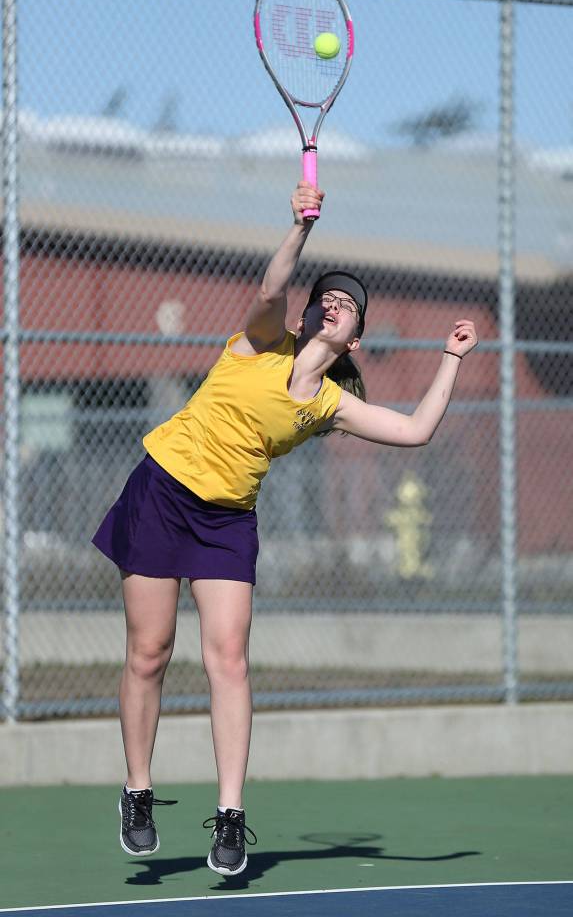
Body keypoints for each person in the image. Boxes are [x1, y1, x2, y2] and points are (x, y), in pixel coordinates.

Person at [92, 181, 478, 877]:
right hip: (160, 492)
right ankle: (137, 790)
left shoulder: (330, 404)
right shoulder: (259, 340)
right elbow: (272, 285)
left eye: (348, 303)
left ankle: (231, 815)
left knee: (229, 660)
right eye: (325, 296)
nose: (333, 302)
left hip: (226, 522)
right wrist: (299, 228)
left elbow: (416, 430)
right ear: (305, 316)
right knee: (149, 651)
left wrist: (450, 357)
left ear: (354, 336)